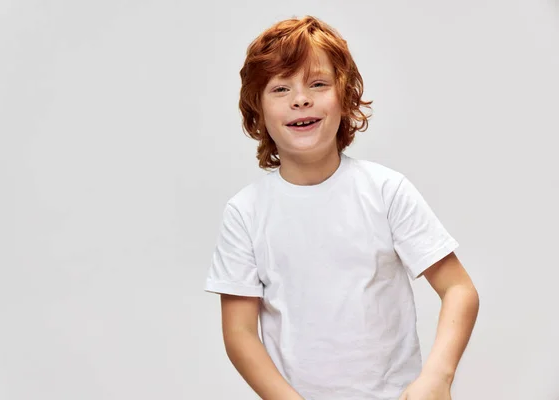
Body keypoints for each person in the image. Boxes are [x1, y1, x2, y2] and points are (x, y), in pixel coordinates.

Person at [204, 15, 479, 400]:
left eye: (317, 83)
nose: (300, 98)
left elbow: (458, 289)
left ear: (345, 97)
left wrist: (438, 377)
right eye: (281, 88)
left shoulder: (386, 191)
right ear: (257, 110)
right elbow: (239, 332)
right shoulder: (246, 212)